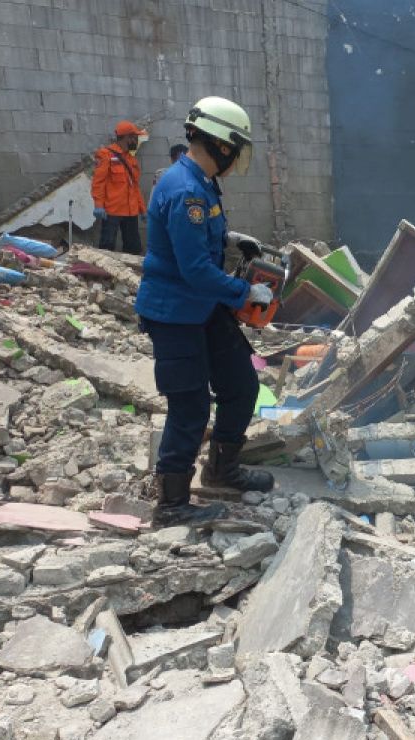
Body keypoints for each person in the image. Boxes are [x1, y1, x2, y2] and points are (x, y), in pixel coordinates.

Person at [135, 97, 275, 526]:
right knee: (190, 405)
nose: (237, 159)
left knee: (241, 383)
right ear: (222, 144)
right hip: (176, 312)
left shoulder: (200, 181)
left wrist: (233, 240)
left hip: (201, 306)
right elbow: (195, 269)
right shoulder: (186, 190)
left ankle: (222, 469)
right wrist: (244, 291)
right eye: (238, 149)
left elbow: (197, 238)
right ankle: (172, 505)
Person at [92, 120, 148, 254]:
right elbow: (98, 182)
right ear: (128, 137)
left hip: (131, 211)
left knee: (134, 248)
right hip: (113, 210)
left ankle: (131, 274)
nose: (136, 141)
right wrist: (98, 205)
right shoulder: (106, 155)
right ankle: (104, 274)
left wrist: (142, 209)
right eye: (135, 138)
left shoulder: (131, 159)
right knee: (107, 247)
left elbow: (135, 186)